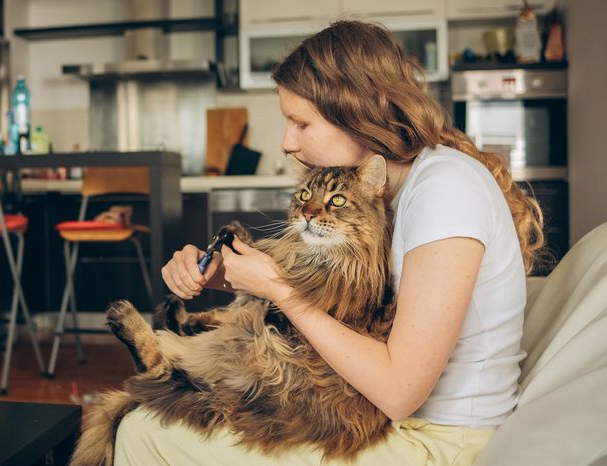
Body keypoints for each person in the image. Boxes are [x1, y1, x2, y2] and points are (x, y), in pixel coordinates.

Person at [115, 20, 544, 466]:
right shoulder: (401, 185)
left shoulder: (444, 191)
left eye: (300, 123)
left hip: (438, 441)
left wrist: (278, 291)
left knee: (143, 433)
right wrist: (216, 273)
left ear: (356, 115)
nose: (286, 143)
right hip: (391, 420)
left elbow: (399, 392)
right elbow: (341, 299)